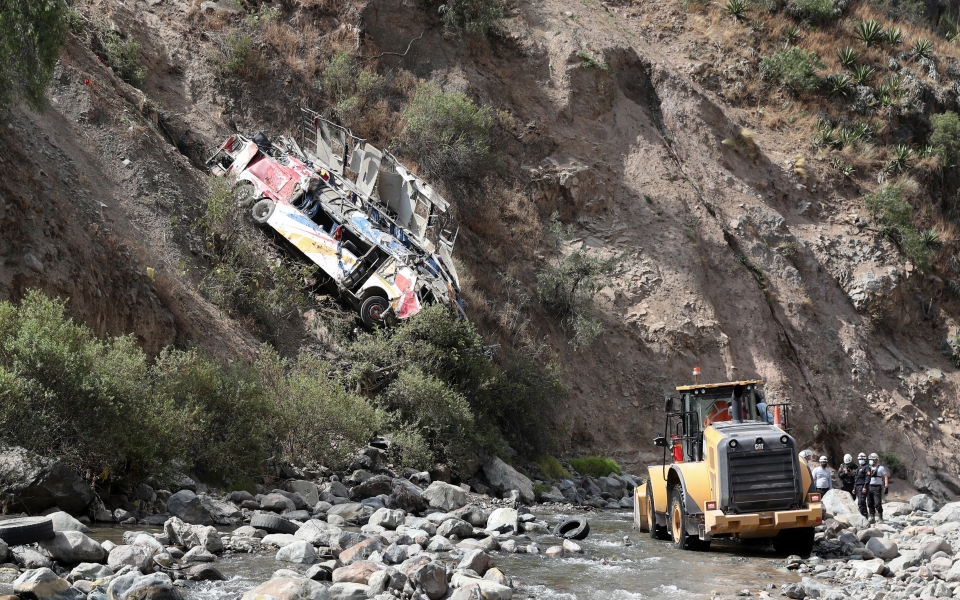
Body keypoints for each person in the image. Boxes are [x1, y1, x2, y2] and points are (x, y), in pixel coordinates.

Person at [866, 452, 889, 523]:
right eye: (870, 459)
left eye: (872, 459)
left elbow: (885, 477)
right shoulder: (868, 468)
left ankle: (880, 517)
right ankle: (872, 517)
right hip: (869, 487)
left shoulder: (881, 468)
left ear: (876, 460)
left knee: (877, 503)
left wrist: (886, 486)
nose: (870, 460)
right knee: (869, 503)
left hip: (877, 487)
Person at [854, 452, 871, 518]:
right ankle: (865, 515)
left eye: (862, 458)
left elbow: (867, 478)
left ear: (865, 459)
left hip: (862, 486)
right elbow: (856, 478)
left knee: (861, 501)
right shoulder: (859, 468)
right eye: (859, 459)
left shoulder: (867, 468)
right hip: (858, 486)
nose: (860, 460)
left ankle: (863, 516)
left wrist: (865, 487)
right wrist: (854, 488)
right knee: (861, 501)